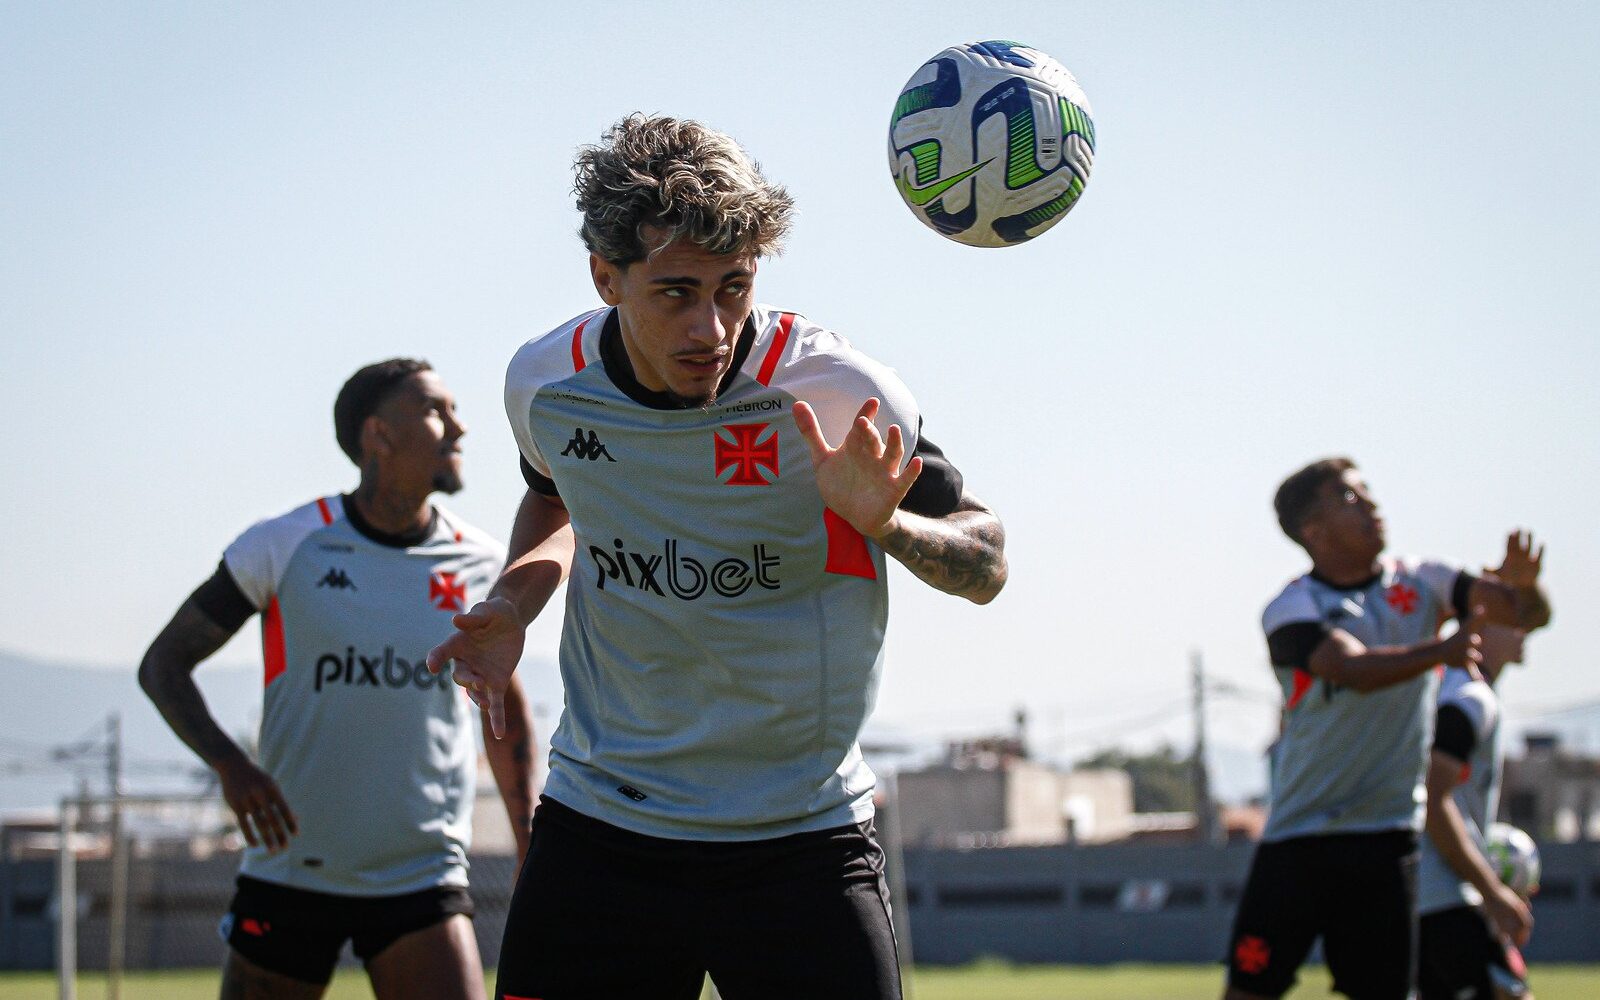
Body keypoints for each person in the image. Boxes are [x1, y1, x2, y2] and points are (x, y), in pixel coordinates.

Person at [426, 114, 1008, 1000]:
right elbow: (557, 495)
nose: (712, 327)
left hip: (801, 841)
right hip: (602, 826)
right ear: (605, 277)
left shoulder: (838, 391)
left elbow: (988, 560)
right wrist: (513, 603)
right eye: (676, 292)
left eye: (734, 287)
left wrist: (889, 527)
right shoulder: (546, 387)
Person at [139, 359, 535, 1000]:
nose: (460, 428)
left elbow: (503, 704)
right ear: (378, 434)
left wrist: (527, 836)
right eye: (438, 410)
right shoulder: (284, 545)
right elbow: (163, 665)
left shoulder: (483, 562)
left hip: (422, 874)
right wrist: (230, 767)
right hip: (292, 868)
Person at [1222, 458, 1550, 1000]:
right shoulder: (1291, 608)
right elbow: (1347, 669)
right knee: (1249, 991)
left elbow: (1504, 610)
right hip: (1301, 837)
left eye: (1367, 491)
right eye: (1347, 497)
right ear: (1313, 531)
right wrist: (1441, 649)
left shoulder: (1423, 579)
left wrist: (1516, 588)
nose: (1370, 503)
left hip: (1386, 840)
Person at [1418, 610, 1538, 999]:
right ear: (1481, 627)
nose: (1524, 628)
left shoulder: (1453, 685)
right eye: (1511, 615)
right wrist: (1493, 893)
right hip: (1441, 899)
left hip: (1428, 896)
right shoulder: (1469, 696)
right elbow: (1434, 800)